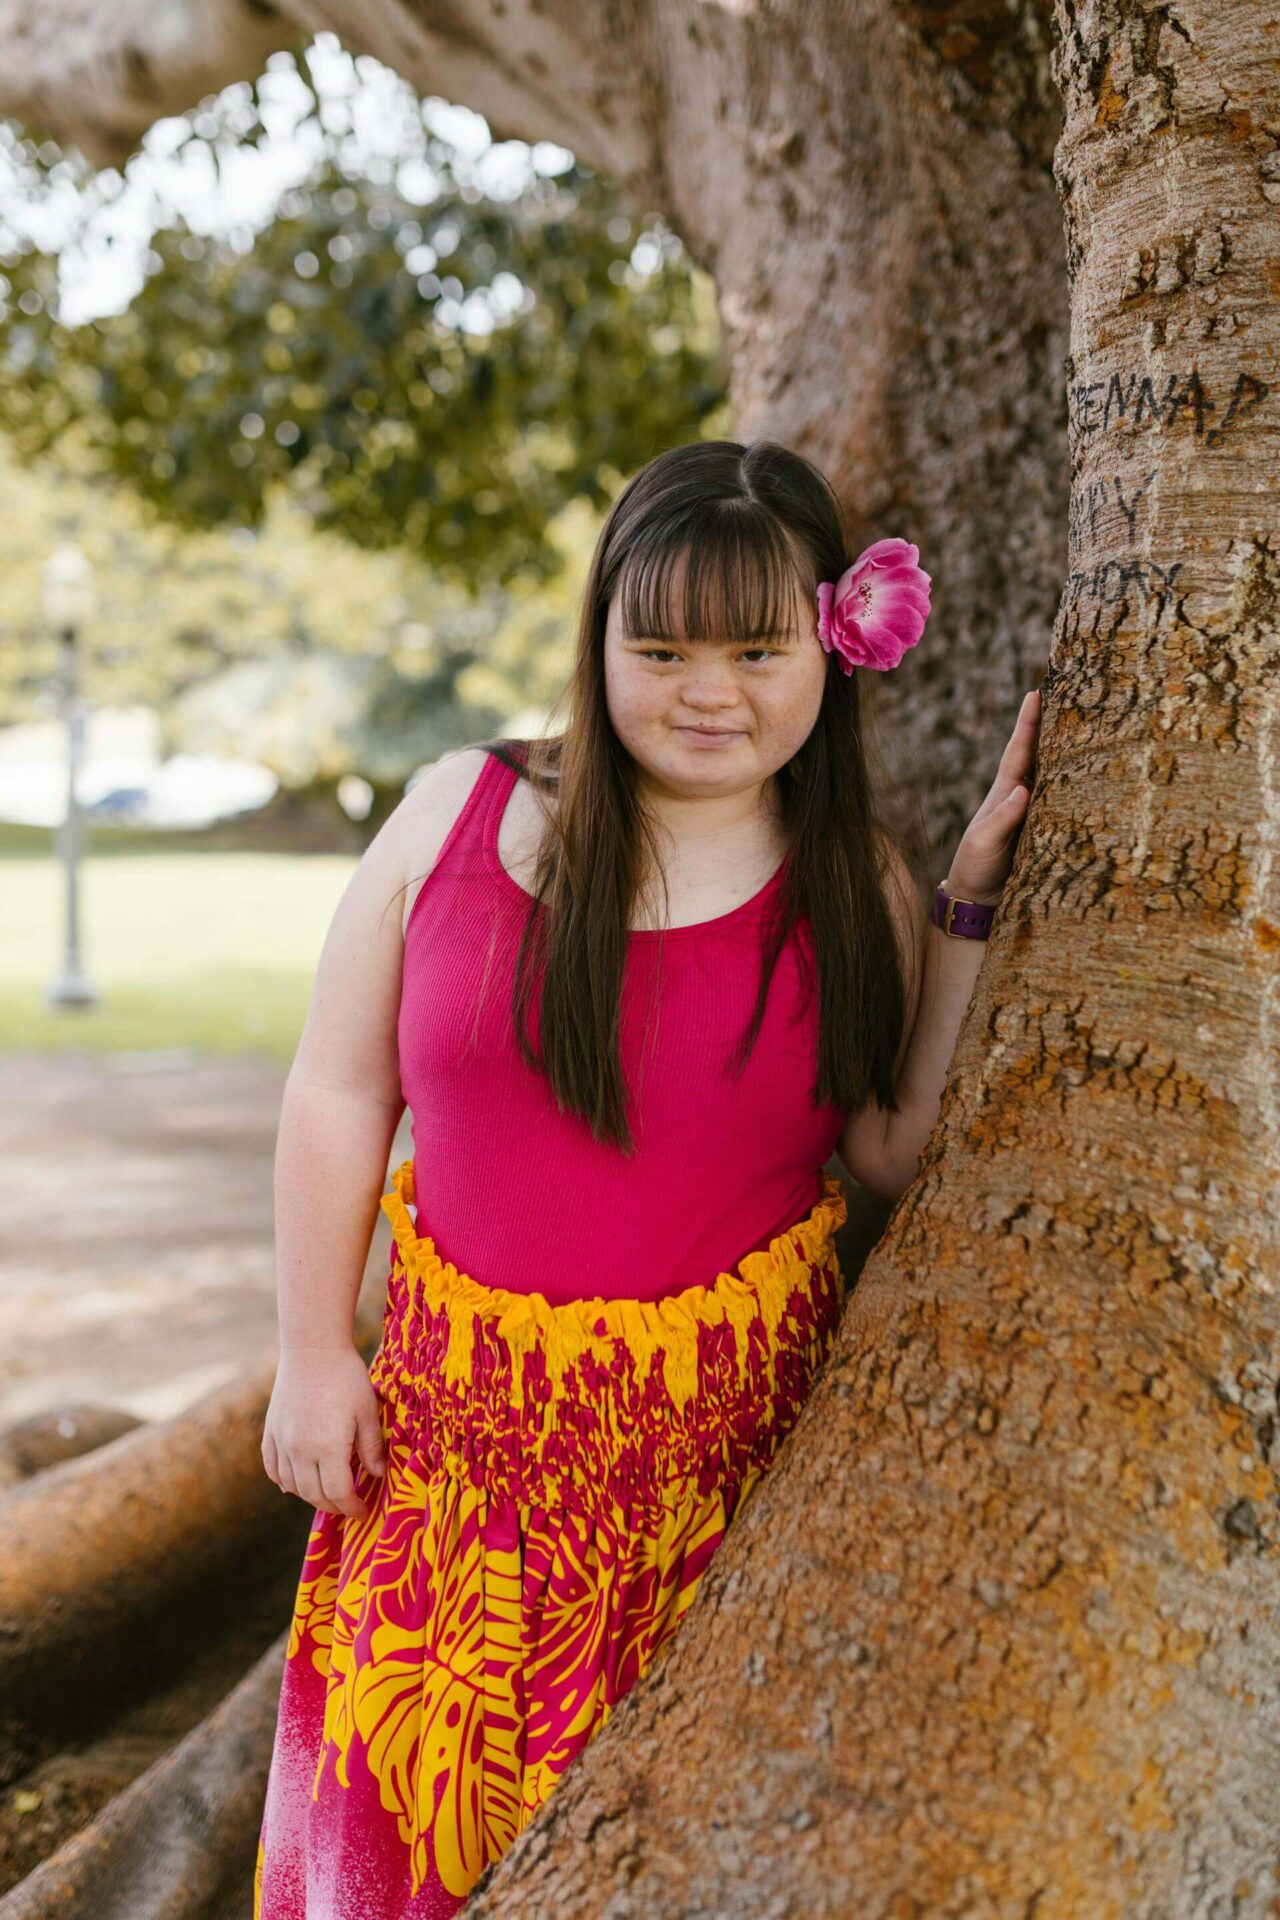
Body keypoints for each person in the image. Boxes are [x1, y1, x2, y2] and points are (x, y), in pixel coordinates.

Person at [252, 437, 1040, 1918]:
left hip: (714, 1504)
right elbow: (338, 1088)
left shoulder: (852, 880)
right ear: (599, 638)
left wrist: (968, 909)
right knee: (402, 1867)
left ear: (832, 645)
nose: (707, 691)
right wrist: (308, 1354)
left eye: (756, 647)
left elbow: (887, 1151)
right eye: (659, 644)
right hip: (445, 1473)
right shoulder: (458, 811)